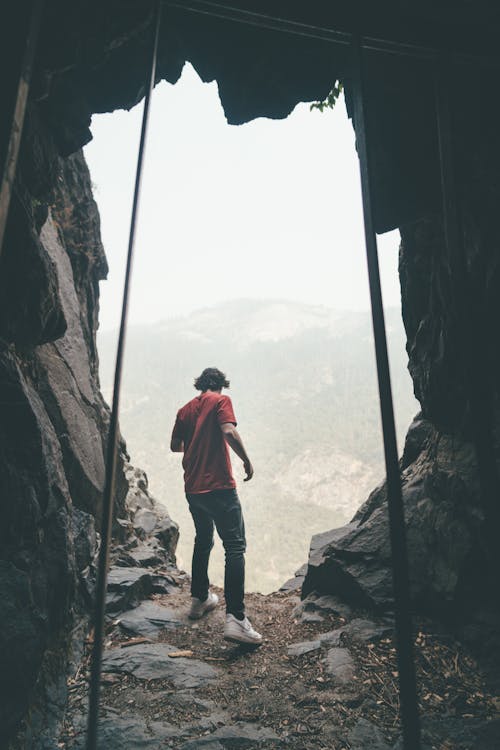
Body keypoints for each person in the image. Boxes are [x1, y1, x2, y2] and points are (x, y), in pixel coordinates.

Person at [170, 367, 262, 646]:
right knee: (234, 547)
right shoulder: (221, 401)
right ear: (221, 385)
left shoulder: (185, 410)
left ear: (200, 385)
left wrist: (197, 442)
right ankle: (236, 619)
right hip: (219, 487)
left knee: (203, 539)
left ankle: (199, 599)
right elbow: (228, 431)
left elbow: (176, 446)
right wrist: (246, 459)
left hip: (193, 489)